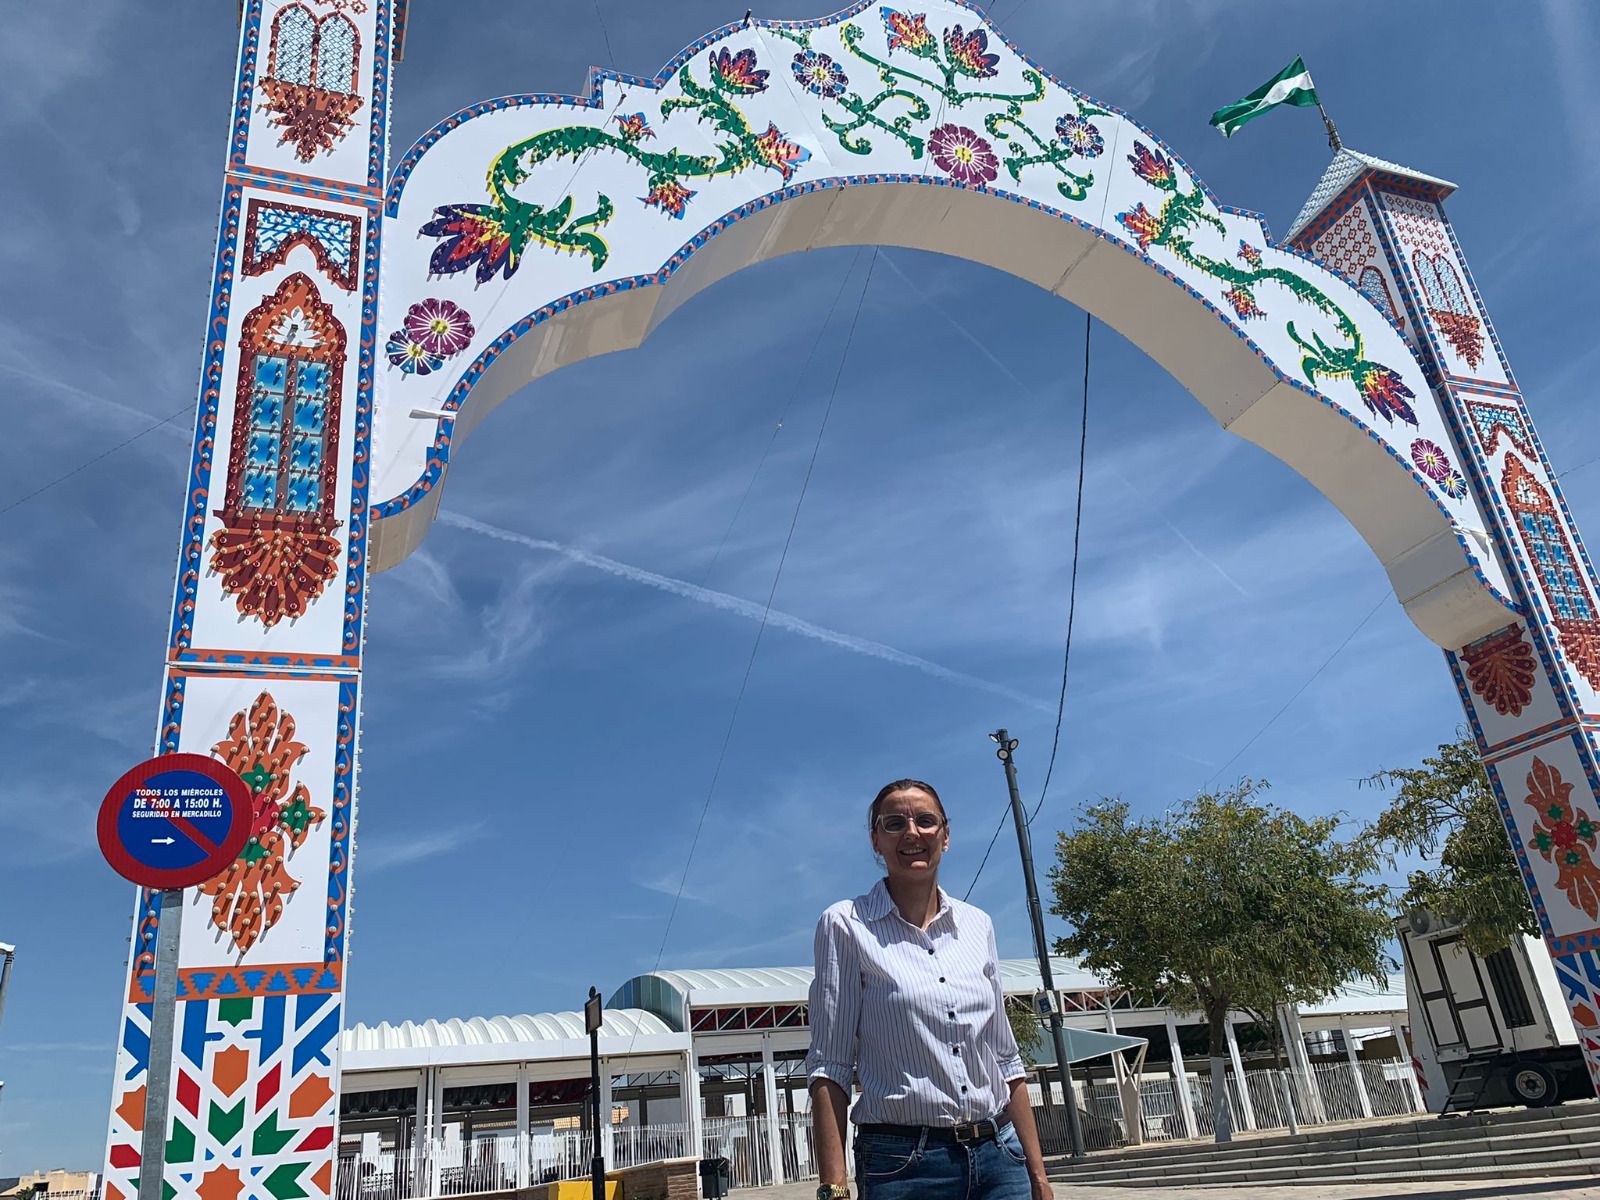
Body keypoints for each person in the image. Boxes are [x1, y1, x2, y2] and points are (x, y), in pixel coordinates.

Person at [805, 779, 1056, 1200]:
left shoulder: (978, 926)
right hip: (904, 1166)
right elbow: (830, 1066)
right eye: (894, 823)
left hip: (1001, 1157)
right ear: (875, 841)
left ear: (945, 835)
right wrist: (834, 1187)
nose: (912, 833)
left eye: (925, 821)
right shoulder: (845, 925)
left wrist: (1039, 1177)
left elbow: (1006, 1060)